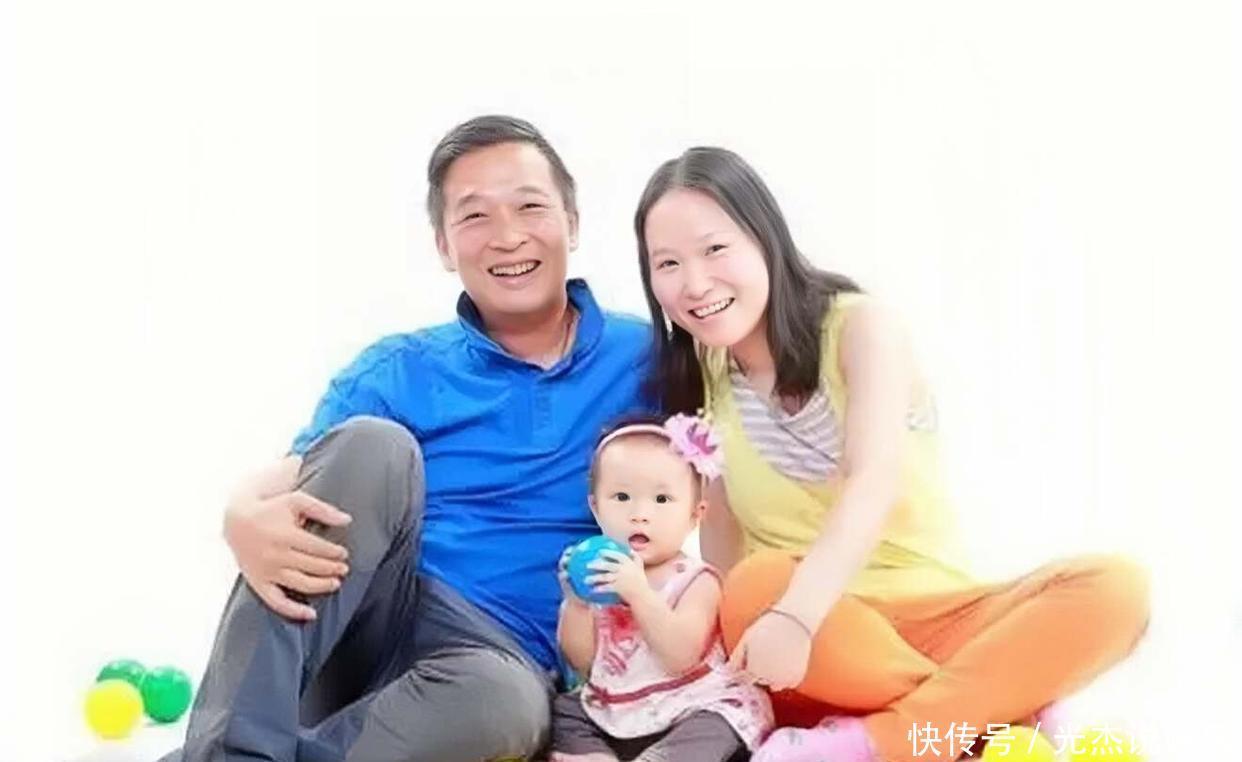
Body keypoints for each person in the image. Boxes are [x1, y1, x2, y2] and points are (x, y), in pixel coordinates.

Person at [633, 146, 1151, 762]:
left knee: (1116, 590)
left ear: (764, 236)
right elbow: (721, 533)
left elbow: (872, 481)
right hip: (821, 645)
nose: (695, 284)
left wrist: (795, 617)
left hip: (939, 617)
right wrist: (762, 635)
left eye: (715, 249)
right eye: (668, 263)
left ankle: (882, 742)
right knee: (751, 587)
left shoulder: (860, 329)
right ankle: (998, 719)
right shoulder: (701, 373)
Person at [163, 115, 651, 761]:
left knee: (505, 703)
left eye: (530, 207)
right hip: (371, 615)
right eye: (474, 216)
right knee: (371, 445)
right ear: (445, 246)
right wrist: (240, 512)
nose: (508, 236)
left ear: (573, 223)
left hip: (491, 662)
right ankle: (230, 752)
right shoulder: (400, 367)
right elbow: (296, 477)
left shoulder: (649, 358)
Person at [549, 415, 772, 762]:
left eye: (662, 499)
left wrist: (639, 594)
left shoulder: (698, 581)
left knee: (722, 721)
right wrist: (576, 604)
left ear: (695, 514)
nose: (640, 514)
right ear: (596, 508)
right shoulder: (601, 574)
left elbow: (680, 657)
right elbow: (584, 662)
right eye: (622, 497)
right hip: (617, 709)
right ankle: (597, 755)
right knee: (565, 709)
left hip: (689, 704)